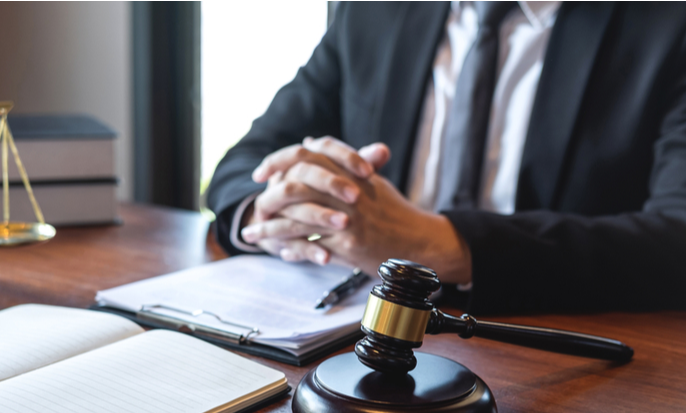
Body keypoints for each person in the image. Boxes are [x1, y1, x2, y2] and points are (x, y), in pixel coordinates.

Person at [206, 2, 686, 315]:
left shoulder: (667, 24)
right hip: (354, 331)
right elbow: (244, 164)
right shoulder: (373, 11)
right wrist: (275, 211)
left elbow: (675, 240)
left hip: (555, 353)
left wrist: (444, 246)